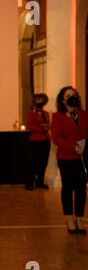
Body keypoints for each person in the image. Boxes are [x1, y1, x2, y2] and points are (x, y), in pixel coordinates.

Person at [51, 86, 88, 235]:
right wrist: (74, 147)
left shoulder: (84, 114)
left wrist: (83, 145)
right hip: (66, 157)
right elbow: (57, 138)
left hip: (82, 158)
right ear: (62, 99)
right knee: (68, 188)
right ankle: (69, 219)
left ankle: (79, 219)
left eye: (73, 95)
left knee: (81, 189)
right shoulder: (57, 116)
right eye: (67, 95)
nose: (71, 97)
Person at [25, 93, 51, 190]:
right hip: (35, 140)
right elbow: (30, 126)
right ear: (34, 101)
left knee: (43, 162)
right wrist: (41, 129)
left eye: (42, 99)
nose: (40, 101)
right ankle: (29, 183)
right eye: (38, 99)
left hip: (46, 140)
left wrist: (47, 128)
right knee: (33, 162)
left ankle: (40, 182)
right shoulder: (32, 112)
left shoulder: (46, 113)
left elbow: (48, 125)